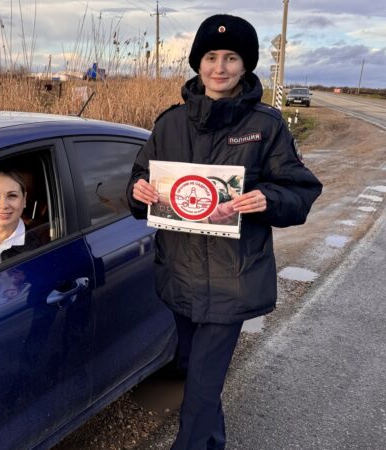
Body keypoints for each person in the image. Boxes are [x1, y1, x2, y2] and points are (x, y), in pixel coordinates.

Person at [127, 14, 323, 450]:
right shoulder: (169, 124)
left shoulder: (266, 126)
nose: (220, 67)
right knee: (200, 378)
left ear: (245, 64)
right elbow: (140, 180)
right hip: (178, 275)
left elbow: (302, 191)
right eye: (211, 57)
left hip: (232, 280)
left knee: (199, 390)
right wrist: (138, 191)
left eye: (231, 58)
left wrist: (267, 199)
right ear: (198, 62)